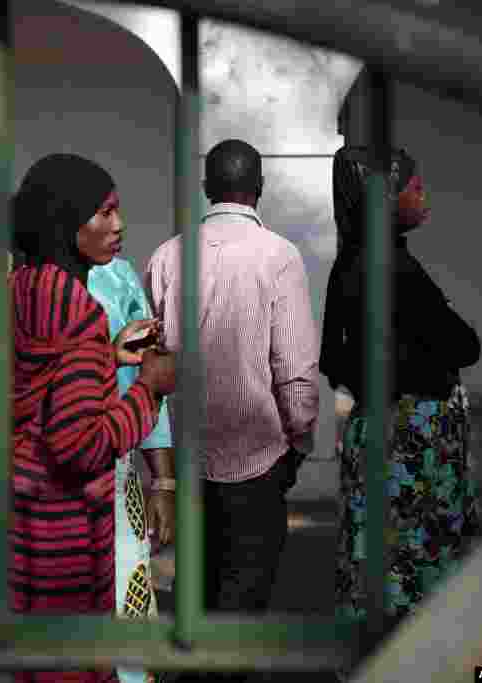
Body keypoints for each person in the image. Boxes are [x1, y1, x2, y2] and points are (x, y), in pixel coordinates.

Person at [0, 153, 177, 683]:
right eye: (104, 212)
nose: (119, 225)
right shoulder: (80, 310)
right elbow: (79, 444)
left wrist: (107, 355)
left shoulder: (22, 289)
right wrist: (149, 390)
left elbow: (39, 388)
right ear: (66, 222)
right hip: (61, 540)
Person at [145, 139, 319, 683]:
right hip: (259, 458)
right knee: (244, 607)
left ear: (206, 189)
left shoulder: (167, 256)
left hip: (190, 458)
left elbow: (154, 361)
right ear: (259, 187)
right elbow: (293, 367)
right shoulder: (280, 256)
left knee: (197, 599)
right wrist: (300, 441)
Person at [319, 146, 480, 638]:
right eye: (413, 186)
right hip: (411, 449)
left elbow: (333, 359)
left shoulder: (354, 264)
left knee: (383, 565)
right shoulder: (392, 269)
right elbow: (463, 345)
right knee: (414, 568)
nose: (422, 194)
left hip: (384, 437)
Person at [88, 256, 175, 683]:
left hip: (117, 471)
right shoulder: (23, 281)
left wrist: (163, 479)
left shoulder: (117, 276)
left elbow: (151, 376)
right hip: (47, 483)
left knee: (128, 599)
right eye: (102, 212)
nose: (117, 225)